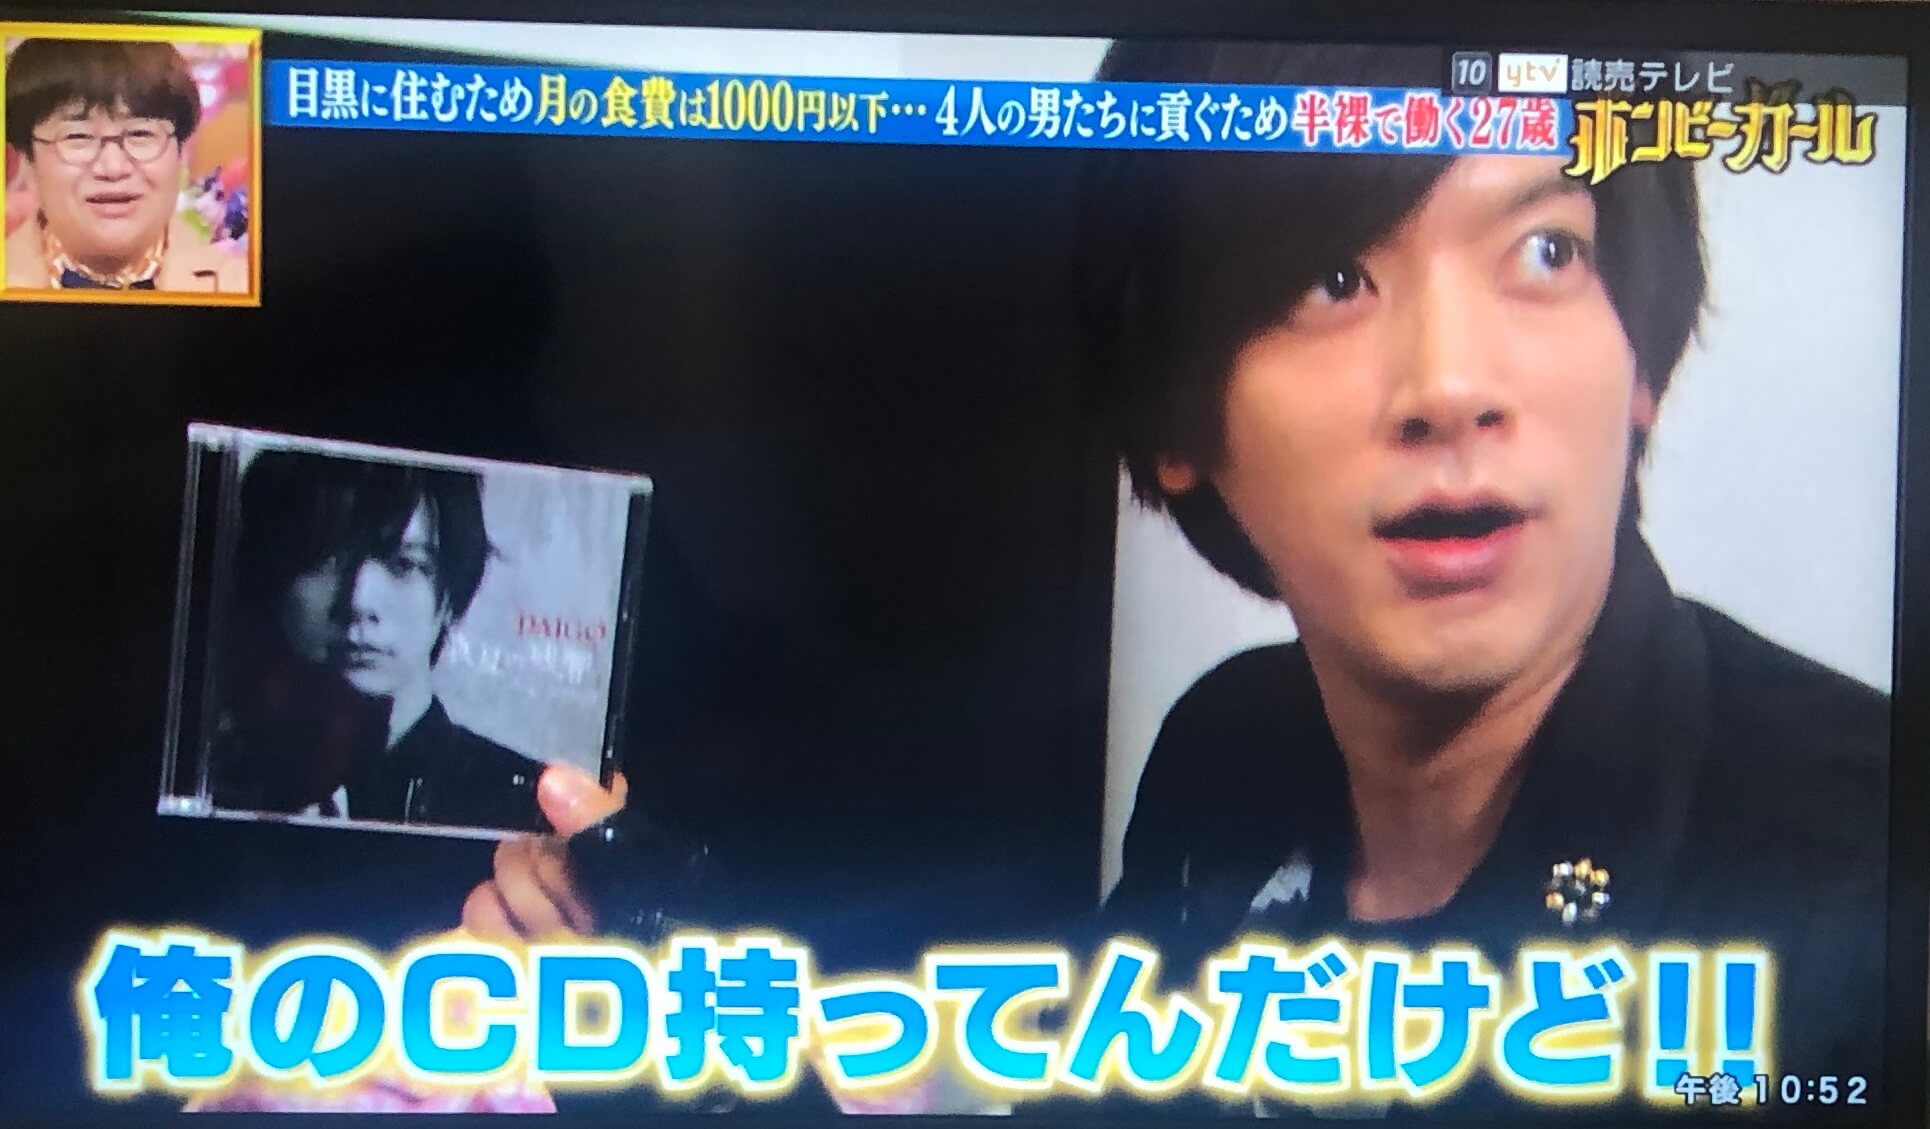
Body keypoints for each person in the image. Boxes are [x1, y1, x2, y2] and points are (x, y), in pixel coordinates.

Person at [462, 40, 1890, 1113]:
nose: (1452, 385)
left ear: (1639, 358)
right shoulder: (1233, 756)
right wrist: (670, 1025)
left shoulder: (1866, 870)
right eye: (1333, 279)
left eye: (1545, 249)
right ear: (1174, 420)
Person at [212, 449, 548, 834]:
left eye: (404, 564)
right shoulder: (218, 780)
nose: (359, 601)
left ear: (449, 598)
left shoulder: (524, 804)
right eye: (322, 559)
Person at [3, 38, 248, 293]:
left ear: (181, 154)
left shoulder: (243, 288)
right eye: (78, 136)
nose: (113, 168)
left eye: (140, 134)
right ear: (27, 160)